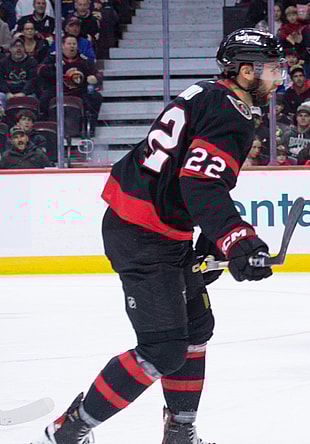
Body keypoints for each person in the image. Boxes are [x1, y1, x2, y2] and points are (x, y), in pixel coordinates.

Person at [30, 29, 285, 444]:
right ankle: (64, 433)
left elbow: (187, 175)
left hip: (153, 227)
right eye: (273, 69)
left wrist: (211, 241)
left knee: (197, 328)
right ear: (245, 71)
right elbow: (201, 184)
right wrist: (237, 240)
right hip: (142, 235)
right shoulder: (231, 113)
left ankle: (180, 432)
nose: (279, 79)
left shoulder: (206, 92)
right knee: (162, 349)